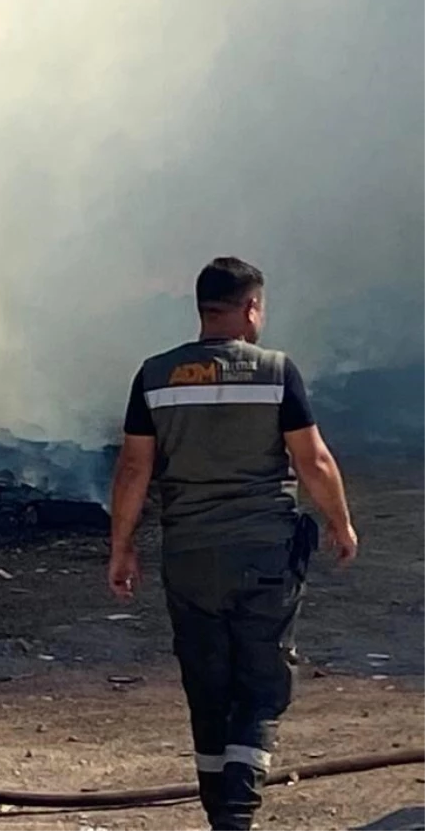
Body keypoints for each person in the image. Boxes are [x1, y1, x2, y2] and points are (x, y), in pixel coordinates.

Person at [107, 256, 359, 831]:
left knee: (207, 684)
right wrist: (341, 525)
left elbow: (132, 470)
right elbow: (313, 460)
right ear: (251, 309)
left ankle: (220, 809)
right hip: (264, 554)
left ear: (203, 310)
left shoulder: (155, 375)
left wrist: (121, 548)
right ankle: (237, 815)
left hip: (190, 556)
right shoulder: (275, 371)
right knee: (263, 685)